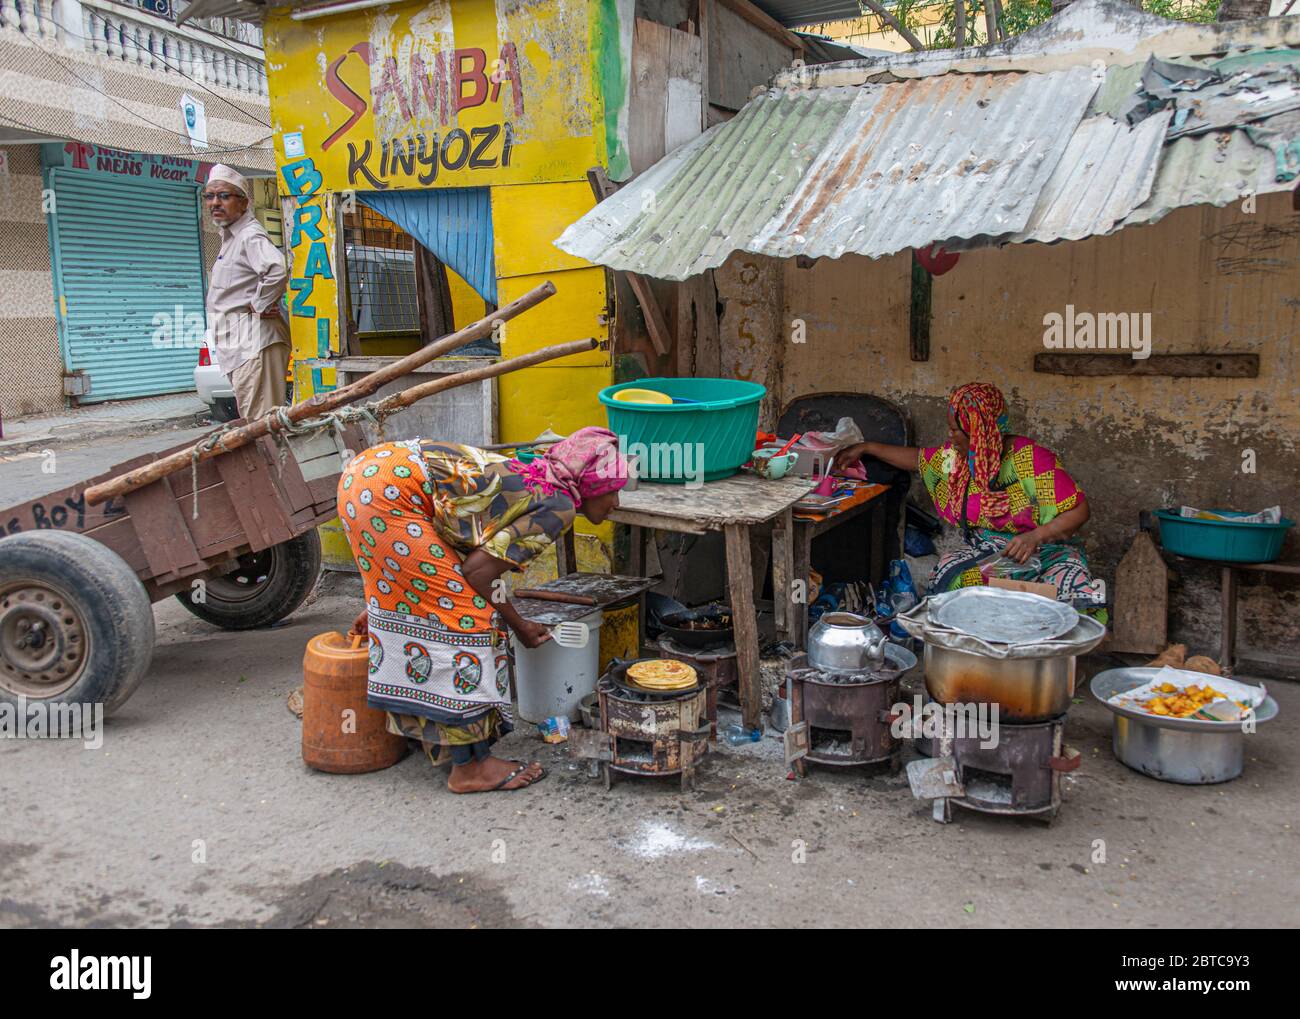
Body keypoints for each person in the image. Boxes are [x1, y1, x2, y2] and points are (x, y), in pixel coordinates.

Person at [339, 427, 631, 793]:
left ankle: (437, 736)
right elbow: (478, 574)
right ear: (588, 485)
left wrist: (395, 593)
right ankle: (469, 769)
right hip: (390, 492)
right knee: (469, 618)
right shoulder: (559, 507)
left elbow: (462, 550)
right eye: (613, 490)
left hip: (369, 474)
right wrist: (519, 625)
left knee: (443, 602)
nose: (617, 502)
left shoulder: (537, 478)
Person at [833, 382, 1106, 618]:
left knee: (1071, 594)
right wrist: (866, 447)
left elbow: (1079, 511)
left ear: (979, 430)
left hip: (1047, 551)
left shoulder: (1030, 460)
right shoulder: (960, 460)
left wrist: (1035, 537)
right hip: (991, 550)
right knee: (955, 579)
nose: (950, 436)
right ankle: (977, 655)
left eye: (956, 430)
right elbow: (919, 459)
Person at [202, 164, 289, 420]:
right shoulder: (230, 238)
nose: (215, 203)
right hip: (241, 346)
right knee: (256, 422)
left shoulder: (249, 235)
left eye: (224, 196)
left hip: (255, 344)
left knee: (262, 425)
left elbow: (277, 268)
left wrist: (259, 304)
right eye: (210, 196)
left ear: (244, 203)